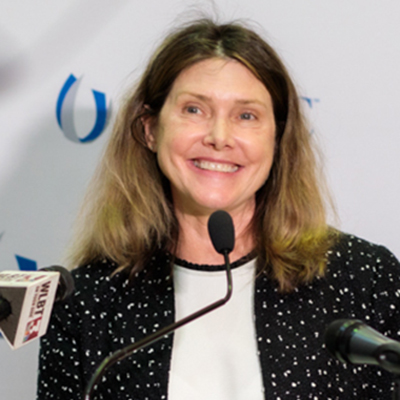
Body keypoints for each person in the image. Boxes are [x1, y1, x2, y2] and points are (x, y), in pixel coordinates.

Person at [37, 19, 400, 400]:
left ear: (278, 138)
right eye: (194, 110)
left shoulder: (363, 278)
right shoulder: (86, 303)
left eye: (246, 116)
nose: (219, 138)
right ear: (149, 129)